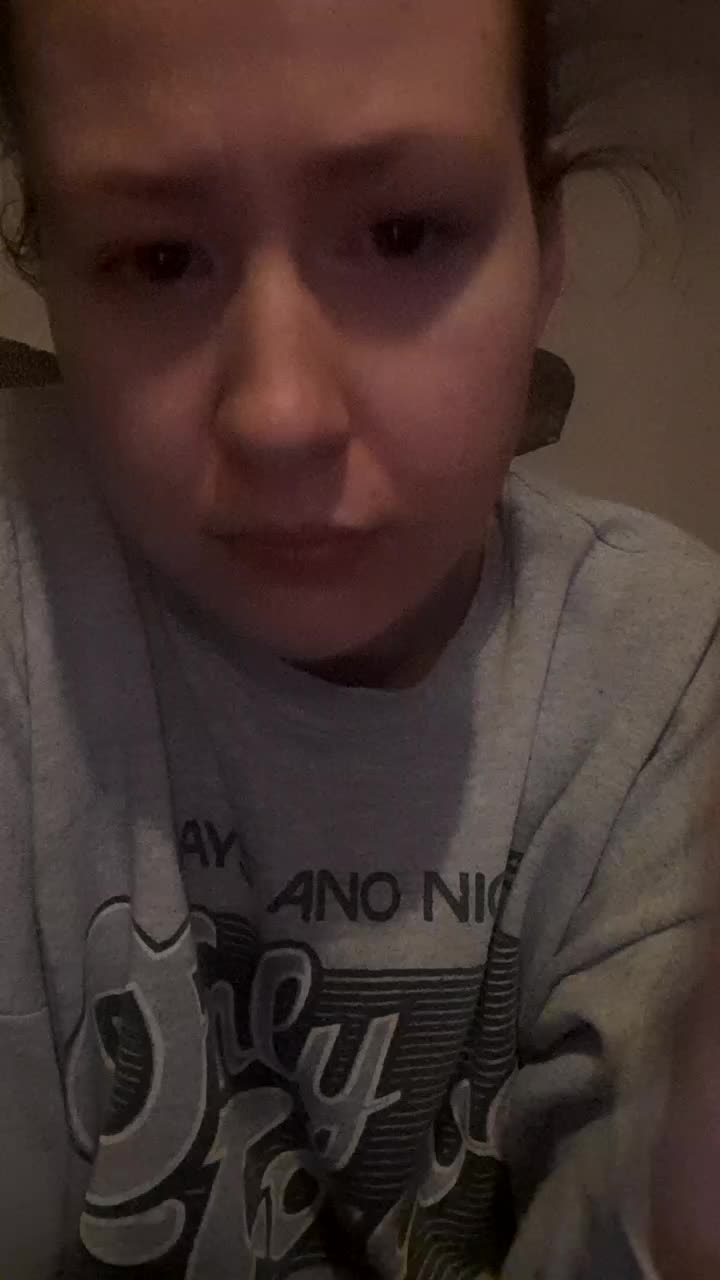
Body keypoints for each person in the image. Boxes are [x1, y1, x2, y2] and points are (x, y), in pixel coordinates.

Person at [0, 0, 718, 1276]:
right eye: (158, 258)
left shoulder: (665, 685)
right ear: (46, 258)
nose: (280, 414)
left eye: (402, 233)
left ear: (545, 244)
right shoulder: (24, 594)